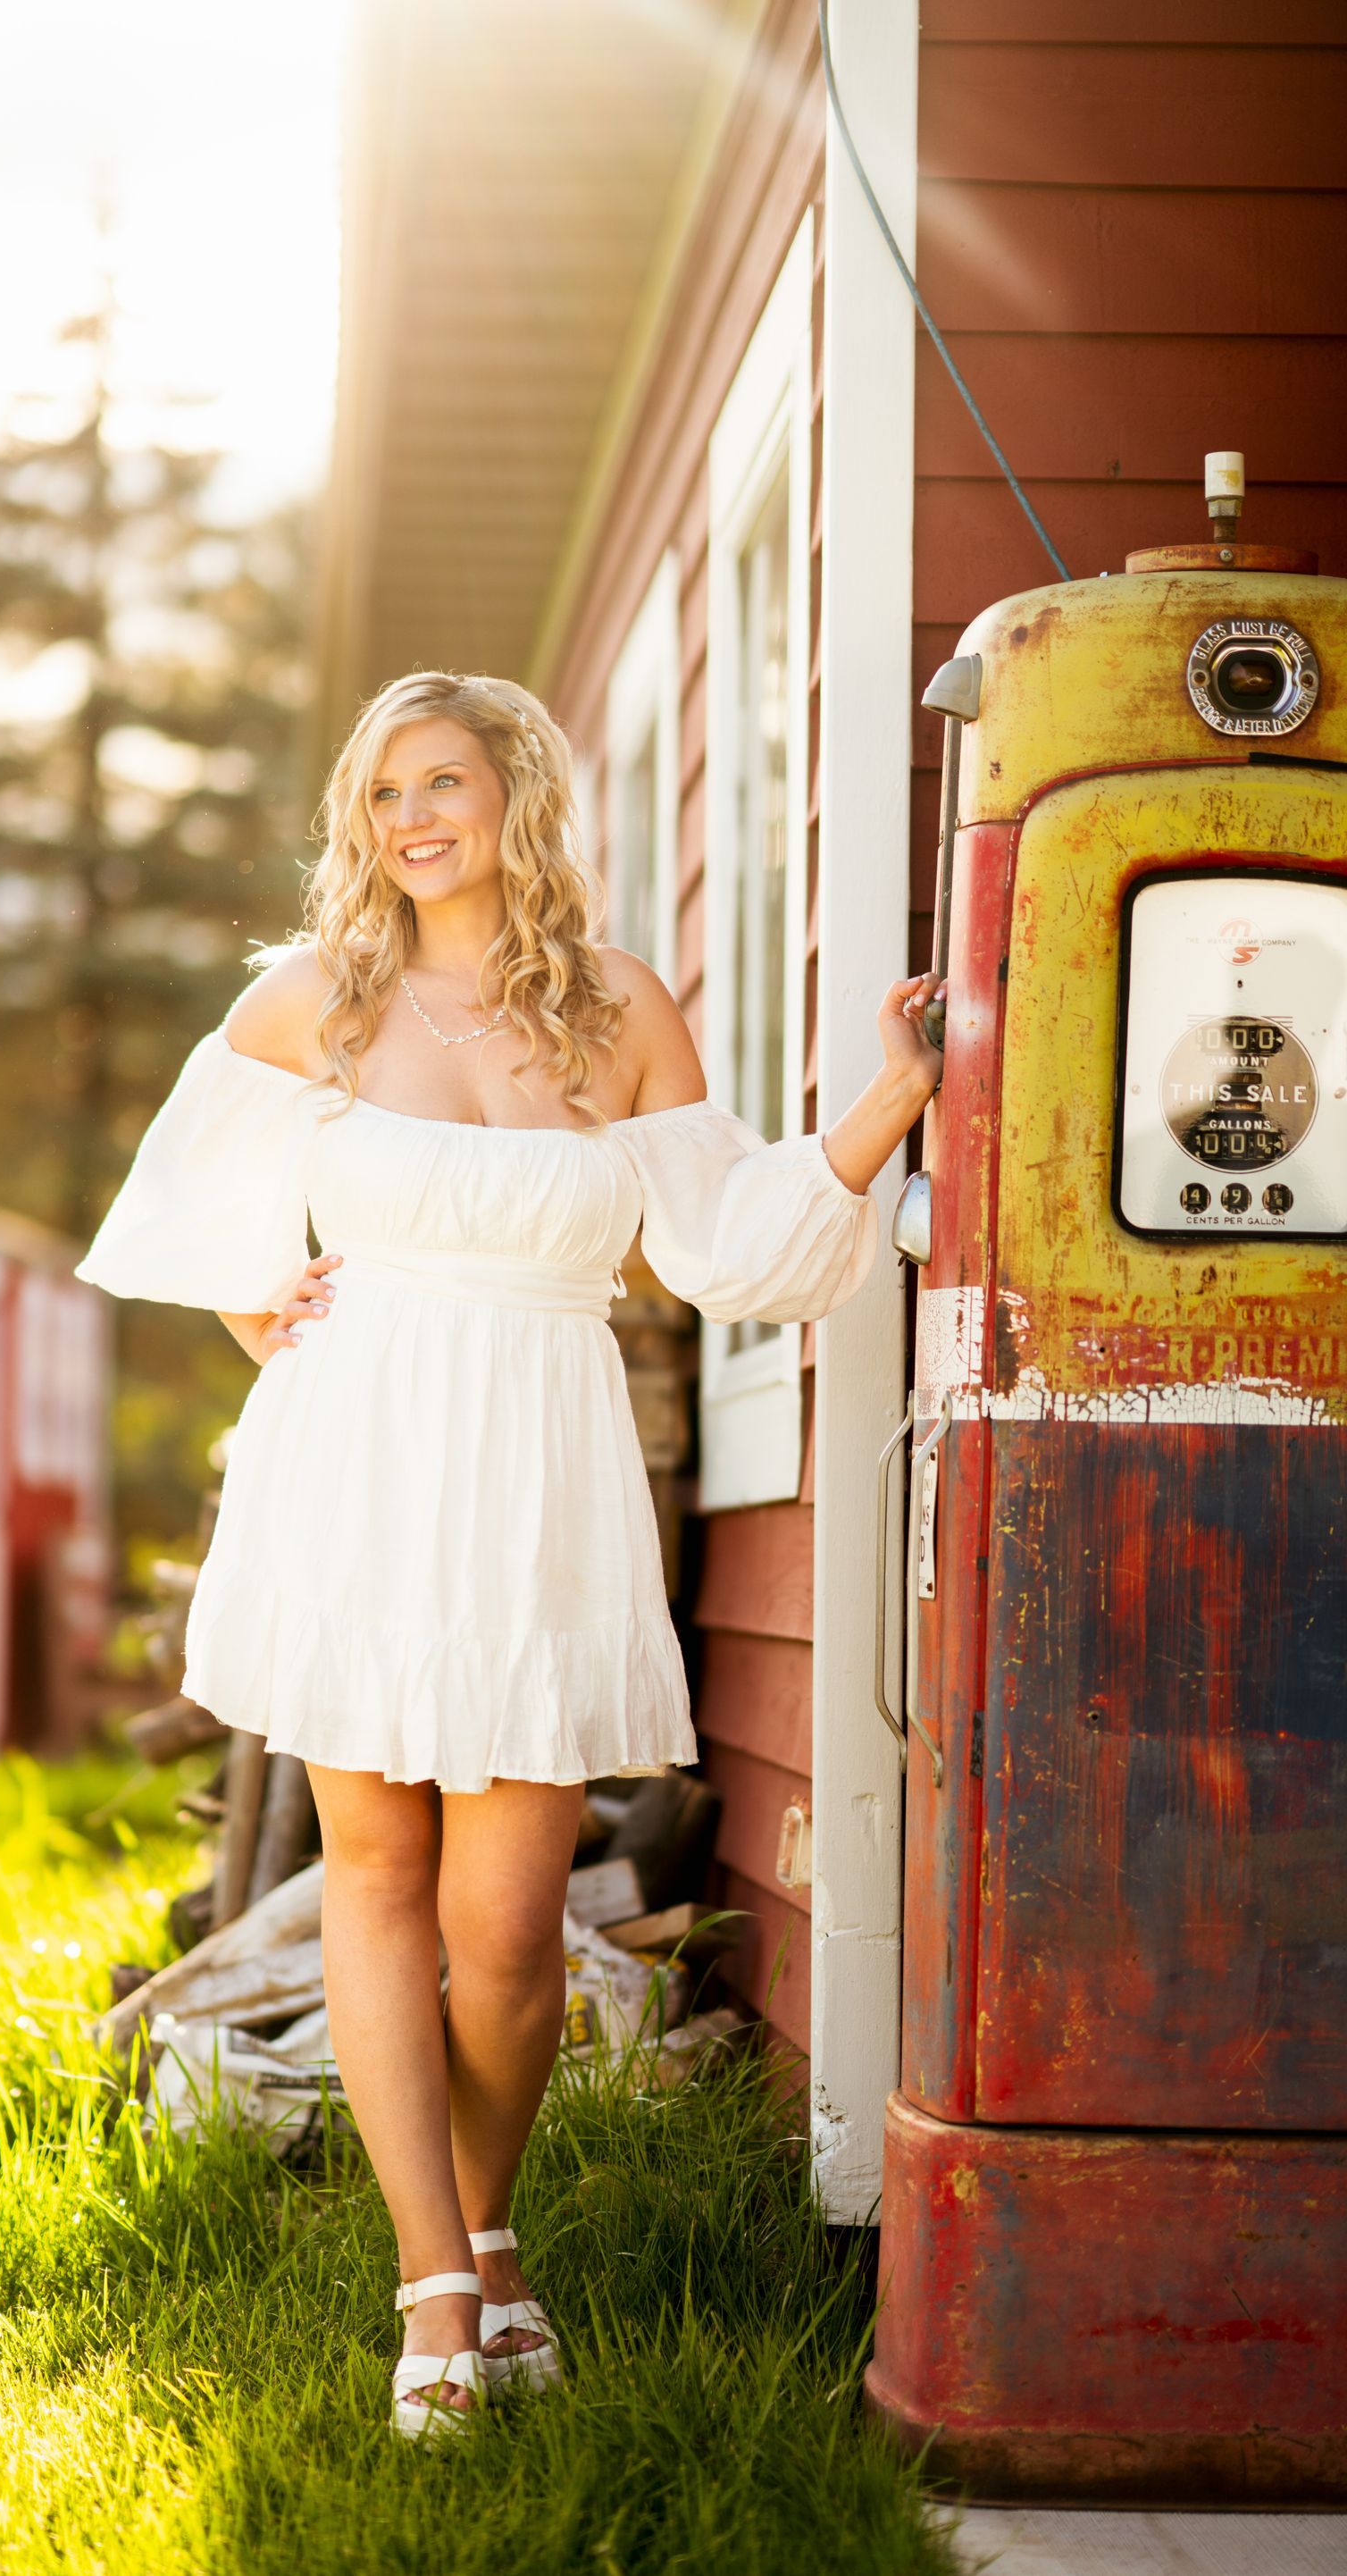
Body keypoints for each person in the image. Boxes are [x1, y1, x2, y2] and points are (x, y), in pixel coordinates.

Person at [76, 669, 942, 2438]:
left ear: (515, 795)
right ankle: (439, 2294)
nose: (411, 816)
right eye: (385, 786)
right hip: (355, 1459)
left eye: (445, 779)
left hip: (539, 1467)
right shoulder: (313, 1000)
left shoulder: (619, 1008)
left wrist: (892, 1097)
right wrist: (256, 1295)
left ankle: (486, 2216)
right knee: (378, 1872)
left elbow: (728, 1243)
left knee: (511, 1919)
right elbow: (186, 1205)